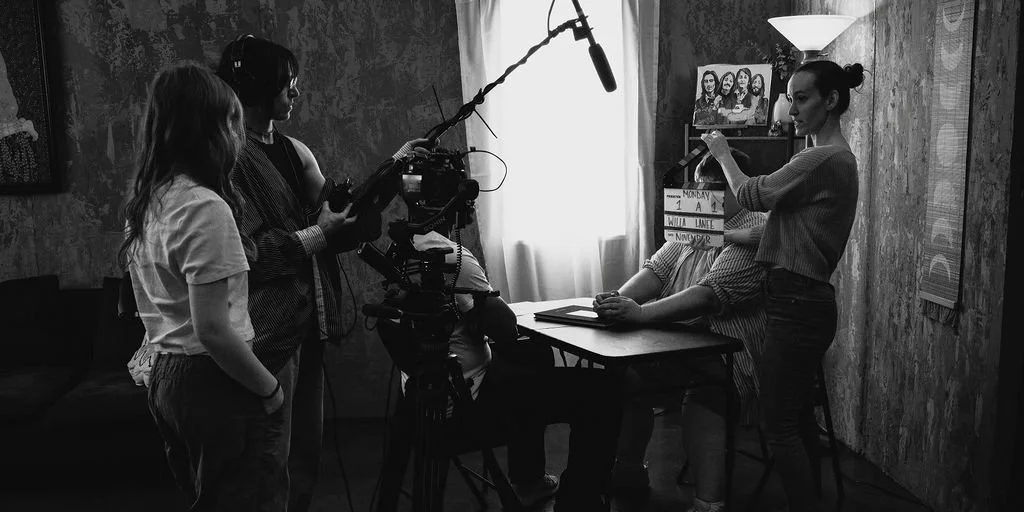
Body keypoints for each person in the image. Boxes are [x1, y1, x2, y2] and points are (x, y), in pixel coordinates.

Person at [215, 35, 426, 512]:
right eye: (286, 82)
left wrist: (393, 169)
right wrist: (319, 234)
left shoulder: (294, 151)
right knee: (268, 460)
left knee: (305, 453)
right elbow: (250, 257)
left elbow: (342, 223)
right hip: (265, 334)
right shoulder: (228, 158)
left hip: (310, 324)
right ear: (258, 85)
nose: (295, 91)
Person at [119, 62, 287, 511]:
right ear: (209, 131)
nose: (239, 137)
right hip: (212, 379)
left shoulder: (149, 202)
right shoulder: (204, 207)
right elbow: (211, 329)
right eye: (232, 124)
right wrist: (270, 389)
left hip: (167, 378)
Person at [701, 60, 865, 512]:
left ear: (831, 101)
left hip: (798, 302)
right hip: (800, 299)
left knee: (778, 425)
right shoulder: (829, 160)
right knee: (795, 419)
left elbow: (752, 195)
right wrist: (719, 234)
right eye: (791, 98)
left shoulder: (822, 158)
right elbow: (775, 230)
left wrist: (722, 153)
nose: (791, 110)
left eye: (802, 99)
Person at [378, 227, 624, 512]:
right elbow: (505, 328)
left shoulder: (401, 252)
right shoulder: (453, 258)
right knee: (602, 390)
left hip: (422, 400)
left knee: (536, 352)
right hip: (467, 408)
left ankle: (529, 481)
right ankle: (578, 502)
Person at [593, 150, 766, 512]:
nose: (704, 195)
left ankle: (709, 503)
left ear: (737, 187)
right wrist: (619, 301)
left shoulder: (757, 228)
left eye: (713, 187)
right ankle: (627, 471)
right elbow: (657, 269)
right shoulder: (698, 217)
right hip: (677, 339)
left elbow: (708, 296)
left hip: (733, 350)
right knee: (627, 373)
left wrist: (640, 314)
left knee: (707, 388)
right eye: (700, 187)